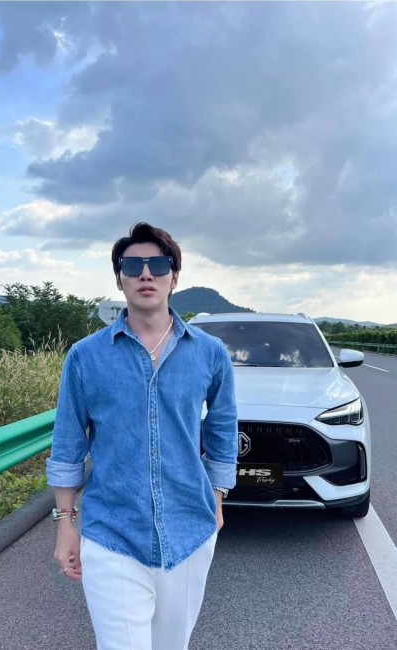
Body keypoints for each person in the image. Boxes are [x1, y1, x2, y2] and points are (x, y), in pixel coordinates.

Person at [46, 222, 238, 650]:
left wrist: (217, 497)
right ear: (120, 279)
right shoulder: (86, 356)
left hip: (189, 528)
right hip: (111, 531)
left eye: (158, 264)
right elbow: (68, 442)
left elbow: (223, 428)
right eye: (133, 266)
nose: (146, 273)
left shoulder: (209, 353)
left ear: (174, 276)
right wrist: (65, 524)